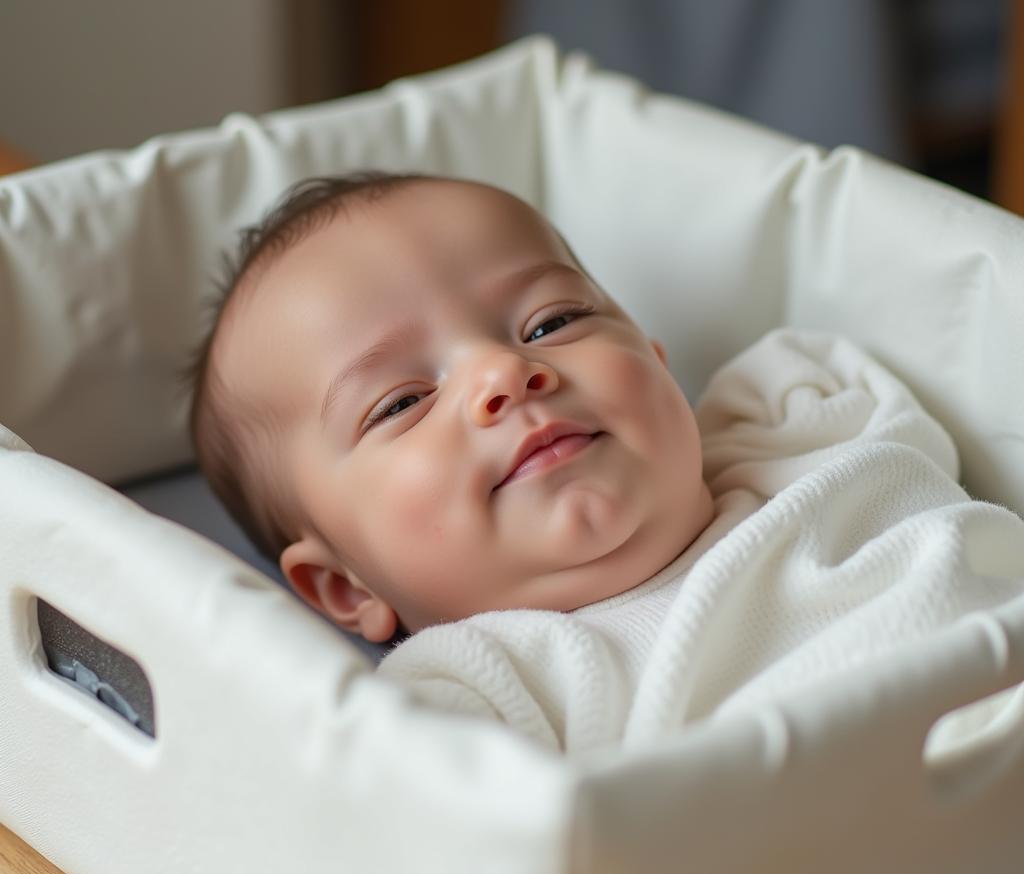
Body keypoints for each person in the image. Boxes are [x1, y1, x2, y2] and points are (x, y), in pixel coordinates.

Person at [187, 172, 1024, 753]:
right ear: (348, 586)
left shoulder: (787, 423)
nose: (501, 374)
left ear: (660, 365)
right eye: (402, 402)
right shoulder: (489, 685)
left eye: (549, 322)